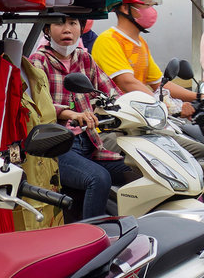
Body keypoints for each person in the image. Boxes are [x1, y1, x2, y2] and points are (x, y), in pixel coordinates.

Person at [27, 15, 135, 220]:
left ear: (81, 28)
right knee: (98, 178)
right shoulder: (38, 60)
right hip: (58, 147)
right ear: (47, 30)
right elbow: (41, 104)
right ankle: (93, 237)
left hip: (91, 143)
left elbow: (112, 93)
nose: (67, 29)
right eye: (59, 23)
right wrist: (71, 114)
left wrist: (136, 106)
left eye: (73, 23)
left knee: (134, 171)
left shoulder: (85, 59)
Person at [91, 0, 197, 119]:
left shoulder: (140, 43)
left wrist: (199, 96)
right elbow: (127, 82)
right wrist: (169, 106)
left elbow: (159, 83)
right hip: (117, 122)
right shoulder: (108, 40)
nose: (151, 11)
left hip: (142, 118)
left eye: (152, 5)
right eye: (146, 5)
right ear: (124, 8)